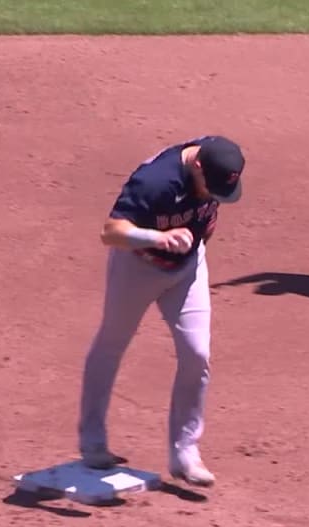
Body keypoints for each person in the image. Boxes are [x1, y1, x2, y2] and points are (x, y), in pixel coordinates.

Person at [77, 135, 246, 488]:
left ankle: (185, 451)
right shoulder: (155, 181)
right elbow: (111, 232)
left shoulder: (216, 160)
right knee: (111, 343)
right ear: (196, 165)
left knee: (197, 353)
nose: (213, 195)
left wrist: (187, 247)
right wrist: (157, 239)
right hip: (137, 267)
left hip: (187, 268)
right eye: (209, 187)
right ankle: (93, 443)